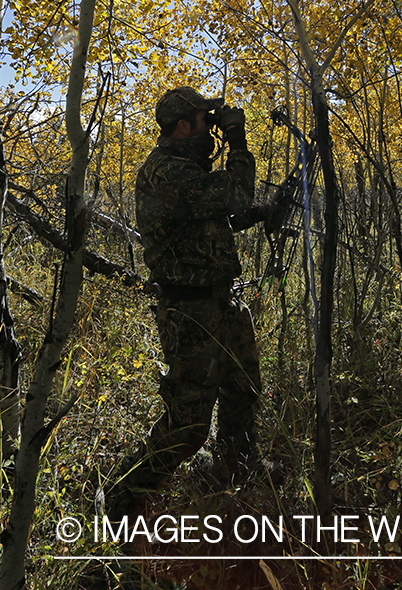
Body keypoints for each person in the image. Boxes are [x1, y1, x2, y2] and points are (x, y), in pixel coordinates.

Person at [101, 86, 269, 517]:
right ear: (183, 126)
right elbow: (231, 195)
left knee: (243, 390)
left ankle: (236, 474)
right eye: (203, 121)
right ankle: (120, 500)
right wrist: (239, 144)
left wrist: (259, 215)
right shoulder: (165, 172)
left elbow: (219, 213)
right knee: (189, 425)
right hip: (190, 313)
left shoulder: (185, 170)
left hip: (220, 303)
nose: (210, 130)